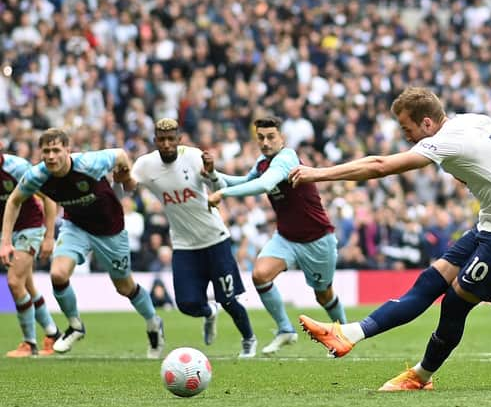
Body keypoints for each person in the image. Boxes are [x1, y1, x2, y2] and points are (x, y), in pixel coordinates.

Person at [290, 87, 491, 391]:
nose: (406, 136)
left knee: (454, 303)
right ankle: (348, 333)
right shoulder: (473, 120)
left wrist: (316, 174)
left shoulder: (446, 140)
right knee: (429, 282)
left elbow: (380, 166)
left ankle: (420, 376)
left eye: (406, 128)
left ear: (426, 123)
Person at [0, 128, 165, 359]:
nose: (51, 156)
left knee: (124, 287)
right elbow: (14, 200)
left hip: (110, 230)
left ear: (68, 150)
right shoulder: (37, 175)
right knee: (57, 274)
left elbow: (119, 154)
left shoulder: (89, 163)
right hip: (75, 226)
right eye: (46, 151)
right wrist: (5, 242)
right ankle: (75, 326)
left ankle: (153, 323)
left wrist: (126, 178)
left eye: (56, 150)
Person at [118, 118, 257, 358]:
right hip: (183, 245)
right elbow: (129, 186)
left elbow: (219, 189)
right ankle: (208, 312)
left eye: (171, 139)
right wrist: (122, 178)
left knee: (229, 300)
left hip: (215, 239)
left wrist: (212, 173)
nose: (167, 144)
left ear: (179, 140)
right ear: (155, 141)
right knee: (186, 304)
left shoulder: (193, 157)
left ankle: (248, 339)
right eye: (162, 140)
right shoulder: (145, 165)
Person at [206, 116, 345, 355]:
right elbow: (246, 181)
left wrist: (224, 194)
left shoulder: (287, 158)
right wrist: (212, 174)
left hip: (317, 239)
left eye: (271, 137)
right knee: (260, 275)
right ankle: (285, 330)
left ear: (282, 138)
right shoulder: (263, 162)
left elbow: (262, 185)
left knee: (323, 295)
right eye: (260, 137)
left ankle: (344, 334)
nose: (266, 142)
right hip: (286, 238)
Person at [1, 153, 61, 357]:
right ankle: (53, 335)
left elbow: (49, 198)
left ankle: (29, 343)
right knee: (27, 285)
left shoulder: (17, 168)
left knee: (14, 282)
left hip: (30, 227)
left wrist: (49, 236)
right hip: (8, 232)